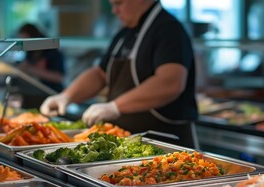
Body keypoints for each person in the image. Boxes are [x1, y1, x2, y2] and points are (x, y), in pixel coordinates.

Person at [40, 0, 199, 148]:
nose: (115, 10)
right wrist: (67, 96)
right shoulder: (125, 34)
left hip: (166, 144)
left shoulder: (169, 29)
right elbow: (100, 74)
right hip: (128, 140)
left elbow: (170, 83)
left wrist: (115, 106)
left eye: (119, 3)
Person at [16, 23, 66, 109]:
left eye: (25, 39)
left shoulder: (52, 51)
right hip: (33, 95)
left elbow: (59, 77)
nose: (24, 44)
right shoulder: (30, 51)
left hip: (51, 95)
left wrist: (31, 69)